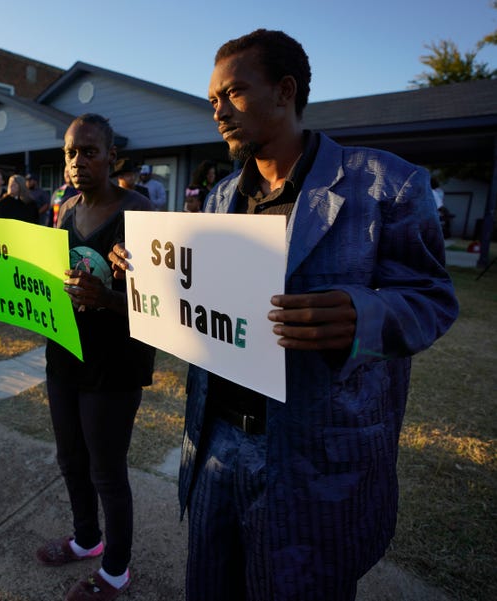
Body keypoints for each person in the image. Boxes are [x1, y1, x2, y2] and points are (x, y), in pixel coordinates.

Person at [109, 29, 459, 600]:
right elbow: (201, 304)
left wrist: (363, 314)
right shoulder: (220, 197)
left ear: (285, 91)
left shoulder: (385, 185)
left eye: (234, 93)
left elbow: (432, 299)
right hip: (217, 443)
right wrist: (144, 273)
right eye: (212, 100)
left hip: (315, 456)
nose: (218, 111)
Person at [36, 114, 155, 601]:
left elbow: (160, 303)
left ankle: (116, 570)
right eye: (70, 152)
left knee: (107, 470)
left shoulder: (139, 213)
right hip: (64, 354)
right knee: (70, 459)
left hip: (115, 364)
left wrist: (106, 299)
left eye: (89, 151)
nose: (78, 161)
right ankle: (86, 539)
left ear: (111, 157)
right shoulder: (65, 210)